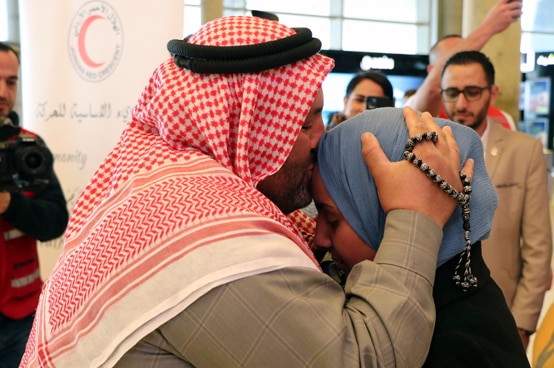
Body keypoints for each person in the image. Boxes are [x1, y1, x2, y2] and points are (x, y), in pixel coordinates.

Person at [21, 16, 473, 367]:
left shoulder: (164, 187)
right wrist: (416, 214)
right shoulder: (204, 234)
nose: (321, 137)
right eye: (303, 122)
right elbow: (365, 358)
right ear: (248, 129)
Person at [314, 106, 531, 367]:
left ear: (383, 213)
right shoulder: (456, 293)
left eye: (333, 220)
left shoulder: (452, 345)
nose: (320, 239)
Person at [440, 50, 553, 350]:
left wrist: (522, 323)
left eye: (472, 92)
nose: (461, 103)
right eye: (452, 92)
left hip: (501, 310)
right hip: (437, 314)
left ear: (492, 92)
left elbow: (538, 245)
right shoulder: (426, 148)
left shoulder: (524, 151)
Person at [0, 43, 68, 367]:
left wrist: (9, 205)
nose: (3, 92)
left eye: (11, 82)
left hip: (21, 315)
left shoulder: (29, 148)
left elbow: (55, 221)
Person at [406, 0, 523, 117]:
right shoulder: (417, 106)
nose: (461, 105)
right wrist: (489, 26)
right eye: (449, 62)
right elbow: (432, 88)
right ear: (432, 70)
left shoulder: (502, 119)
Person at [326, 70, 393, 130]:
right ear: (345, 102)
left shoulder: (397, 140)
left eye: (373, 103)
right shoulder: (324, 141)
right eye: (359, 100)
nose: (364, 109)